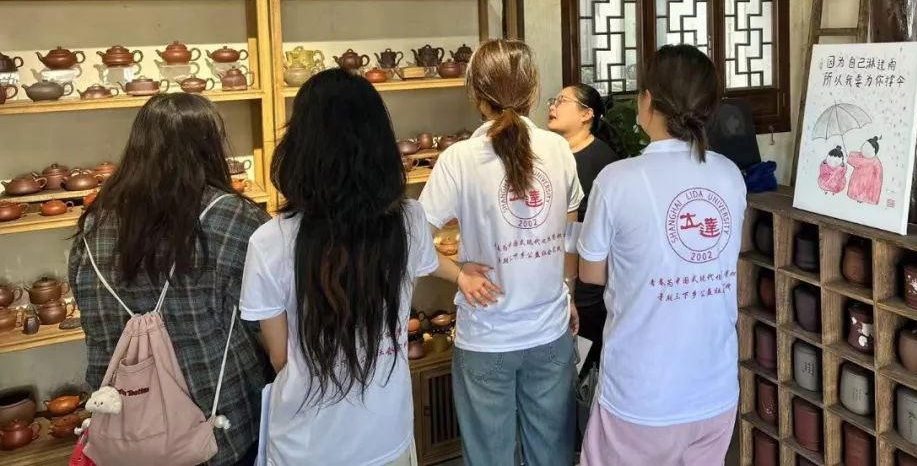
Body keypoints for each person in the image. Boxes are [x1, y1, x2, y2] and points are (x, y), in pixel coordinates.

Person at [240, 69, 437, 466]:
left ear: (300, 146)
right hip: (387, 434)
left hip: (306, 445)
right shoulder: (410, 220)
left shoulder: (271, 241)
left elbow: (281, 357)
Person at [69, 94, 270, 466]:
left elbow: (91, 316)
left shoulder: (94, 223)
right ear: (210, 146)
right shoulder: (233, 219)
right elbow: (267, 324)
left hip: (123, 426)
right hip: (216, 425)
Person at [578, 45, 747, 466]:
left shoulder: (616, 180)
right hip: (715, 392)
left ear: (648, 101)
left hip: (641, 397)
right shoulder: (730, 175)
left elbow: (592, 274)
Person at [421, 39, 583, 466]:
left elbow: (413, 240)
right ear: (533, 91)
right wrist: (566, 289)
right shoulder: (559, 149)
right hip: (549, 332)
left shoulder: (458, 159)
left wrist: (460, 275)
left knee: (489, 457)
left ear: (476, 94)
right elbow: (570, 232)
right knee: (551, 455)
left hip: (487, 337)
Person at [546, 83, 620, 375]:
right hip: (556, 282)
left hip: (586, 292)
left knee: (580, 373)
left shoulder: (601, 162)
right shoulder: (552, 155)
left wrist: (571, 289)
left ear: (586, 114)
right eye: (553, 100)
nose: (553, 106)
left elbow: (579, 230)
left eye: (562, 101)